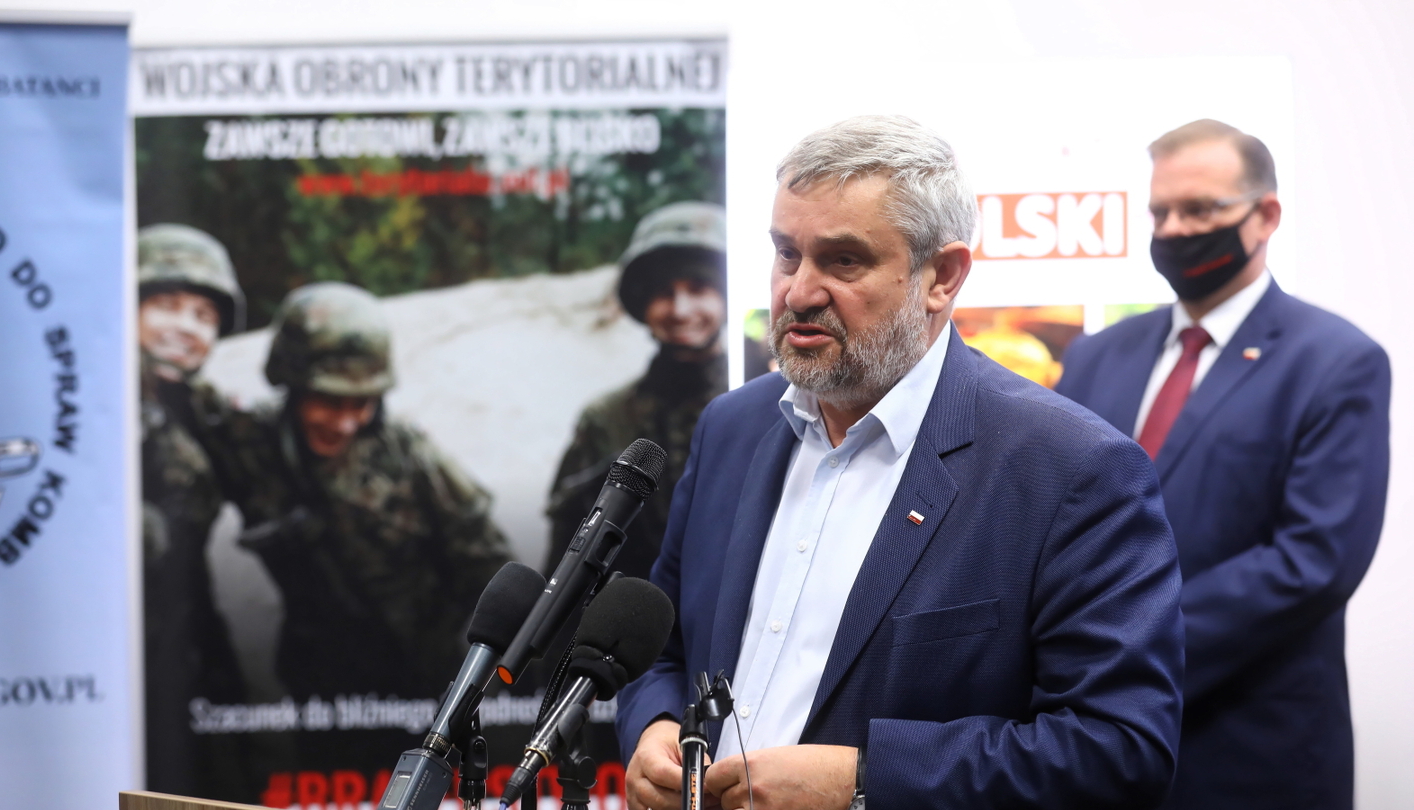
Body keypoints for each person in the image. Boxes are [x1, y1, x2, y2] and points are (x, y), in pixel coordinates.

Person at [617, 116, 1184, 810]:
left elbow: (1119, 749)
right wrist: (655, 724)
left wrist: (864, 781)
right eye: (787, 254)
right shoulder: (732, 429)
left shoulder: (1070, 469)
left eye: (843, 261)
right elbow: (667, 651)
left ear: (942, 277)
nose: (799, 292)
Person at [1057, 119, 1391, 810]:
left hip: (1252, 749)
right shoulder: (1096, 356)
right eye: (1161, 213)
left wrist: (1129, 644)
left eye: (1200, 209)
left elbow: (1313, 561)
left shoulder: (1337, 362)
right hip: (1087, 747)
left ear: (1265, 215)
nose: (1175, 229)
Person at [223, 282, 513, 766]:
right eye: (328, 401)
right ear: (291, 383)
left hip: (427, 682)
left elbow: (493, 568)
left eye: (361, 403)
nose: (345, 422)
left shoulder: (410, 456)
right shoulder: (250, 442)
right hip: (323, 683)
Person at [546, 201, 728, 580]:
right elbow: (563, 559)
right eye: (664, 293)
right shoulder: (605, 418)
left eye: (698, 288)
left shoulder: (770, 405)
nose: (680, 310)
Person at [137, 223, 249, 797]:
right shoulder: (89, 399)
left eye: (204, 315)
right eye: (165, 304)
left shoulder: (200, 406)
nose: (186, 327)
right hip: (118, 657)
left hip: (190, 645)